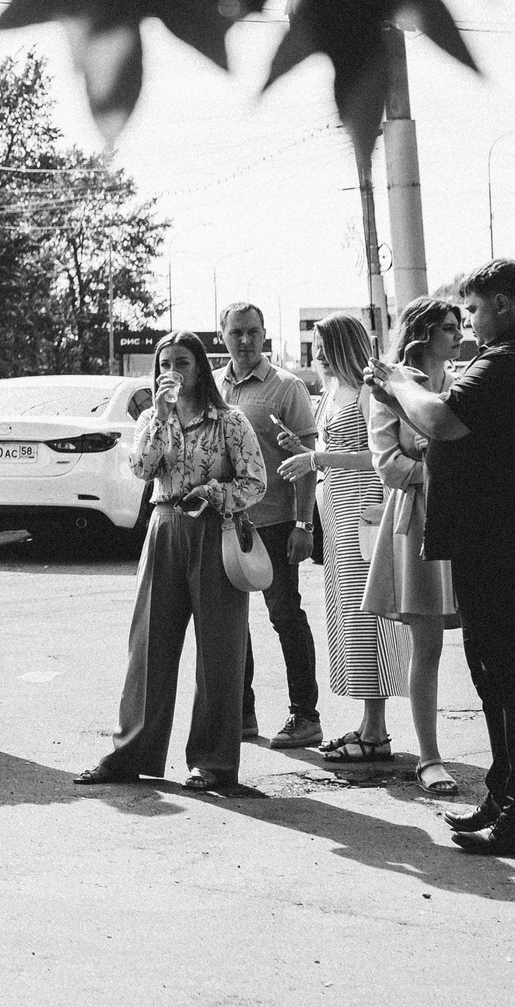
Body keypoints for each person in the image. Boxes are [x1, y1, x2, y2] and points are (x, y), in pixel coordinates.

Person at [367, 259, 515, 856]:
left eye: (477, 310)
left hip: (513, 547)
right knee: (495, 678)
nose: (470, 323)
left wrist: (398, 381)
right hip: (496, 543)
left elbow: (441, 420)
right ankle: (505, 794)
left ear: (506, 306)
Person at [75, 330, 267, 793]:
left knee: (220, 651)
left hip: (214, 532)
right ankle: (131, 753)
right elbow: (140, 470)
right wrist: (160, 419)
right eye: (165, 363)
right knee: (148, 647)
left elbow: (256, 483)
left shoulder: (230, 420)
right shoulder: (150, 417)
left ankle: (213, 762)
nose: (173, 371)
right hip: (164, 527)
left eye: (182, 362)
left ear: (200, 367)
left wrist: (216, 492)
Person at [277, 315, 408, 763]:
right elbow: (331, 450)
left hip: (364, 503)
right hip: (336, 505)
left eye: (319, 343)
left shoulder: (369, 387)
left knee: (369, 614)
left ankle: (376, 732)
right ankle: (369, 725)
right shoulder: (331, 390)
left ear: (339, 345)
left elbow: (377, 455)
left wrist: (314, 455)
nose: (314, 352)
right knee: (351, 614)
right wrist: (302, 448)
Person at [365, 295, 463, 795]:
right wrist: (450, 472)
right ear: (423, 333)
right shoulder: (388, 385)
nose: (459, 334)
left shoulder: (466, 380)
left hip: (469, 519)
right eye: (449, 326)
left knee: (487, 642)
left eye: (460, 324)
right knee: (428, 645)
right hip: (419, 522)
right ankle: (429, 757)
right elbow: (388, 465)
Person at [219, 301, 323, 750]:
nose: (244, 340)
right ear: (222, 335)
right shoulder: (213, 387)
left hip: (277, 523)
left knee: (284, 616)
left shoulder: (287, 387)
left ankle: (305, 715)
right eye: (236, 332)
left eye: (253, 332)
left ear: (266, 335)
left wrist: (304, 524)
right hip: (227, 525)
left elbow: (304, 462)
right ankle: (241, 712)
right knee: (230, 622)